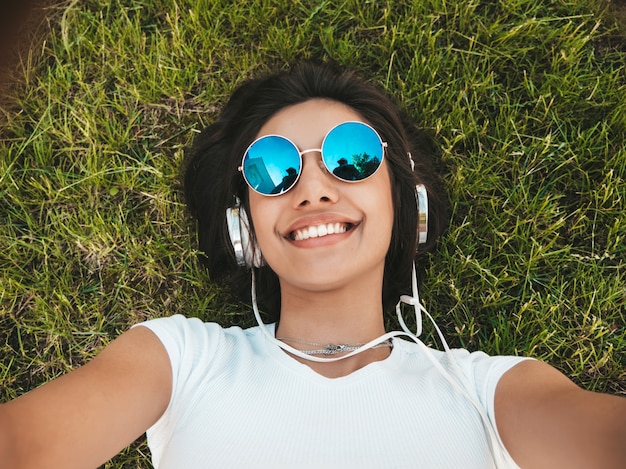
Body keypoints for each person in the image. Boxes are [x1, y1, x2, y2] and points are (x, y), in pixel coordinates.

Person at [1, 61, 625, 469]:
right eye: (274, 169)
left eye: (350, 157)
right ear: (243, 226)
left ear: (407, 204)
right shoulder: (180, 358)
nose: (314, 191)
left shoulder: (486, 392)